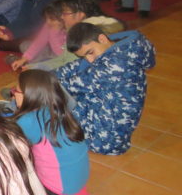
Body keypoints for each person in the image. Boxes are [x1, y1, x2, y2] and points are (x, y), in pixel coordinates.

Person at [56, 23, 155, 155]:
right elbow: (78, 65)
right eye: (84, 56)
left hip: (106, 140)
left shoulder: (118, 63)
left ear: (102, 39)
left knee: (53, 101)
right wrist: (51, 74)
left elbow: (72, 85)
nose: (90, 60)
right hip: (107, 118)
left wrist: (42, 81)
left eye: (90, 53)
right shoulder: (118, 47)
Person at [11, 70, 90, 195]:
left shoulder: (29, 120)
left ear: (29, 96)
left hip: (57, 193)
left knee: (12, 167)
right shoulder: (58, 109)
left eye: (15, 91)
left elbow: (10, 145)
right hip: (78, 183)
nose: (13, 95)